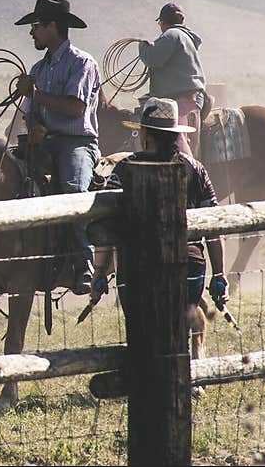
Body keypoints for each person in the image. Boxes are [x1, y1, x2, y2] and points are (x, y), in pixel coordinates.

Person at [90, 97, 228, 342]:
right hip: (190, 265)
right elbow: (213, 226)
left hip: (136, 267)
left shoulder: (123, 170)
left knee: (142, 337)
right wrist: (219, 274)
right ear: (174, 134)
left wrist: (99, 271)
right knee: (179, 338)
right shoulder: (196, 170)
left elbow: (107, 226)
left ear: (144, 134)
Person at [14, 0, 101, 295]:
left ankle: (83, 263)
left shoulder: (82, 62)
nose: (32, 33)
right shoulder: (38, 69)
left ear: (53, 26)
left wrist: (35, 95)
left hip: (76, 143)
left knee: (74, 191)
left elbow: (76, 108)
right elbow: (31, 112)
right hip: (46, 142)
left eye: (36, 26)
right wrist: (34, 125)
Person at [137, 3, 211, 158]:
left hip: (179, 101)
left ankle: (186, 173)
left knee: (177, 146)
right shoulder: (187, 38)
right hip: (193, 99)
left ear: (162, 23)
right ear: (182, 21)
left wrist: (143, 47)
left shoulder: (171, 35)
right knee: (188, 144)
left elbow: (153, 58)